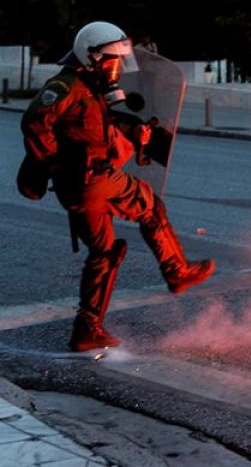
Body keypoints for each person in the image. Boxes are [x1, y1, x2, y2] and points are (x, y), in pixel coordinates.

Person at [19, 21, 215, 352]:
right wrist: (51, 161)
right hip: (92, 181)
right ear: (91, 56)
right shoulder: (66, 87)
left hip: (80, 185)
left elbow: (91, 133)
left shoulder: (89, 88)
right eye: (113, 60)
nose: (118, 67)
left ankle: (87, 330)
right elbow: (35, 122)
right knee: (150, 205)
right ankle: (177, 271)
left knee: (105, 251)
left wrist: (129, 135)